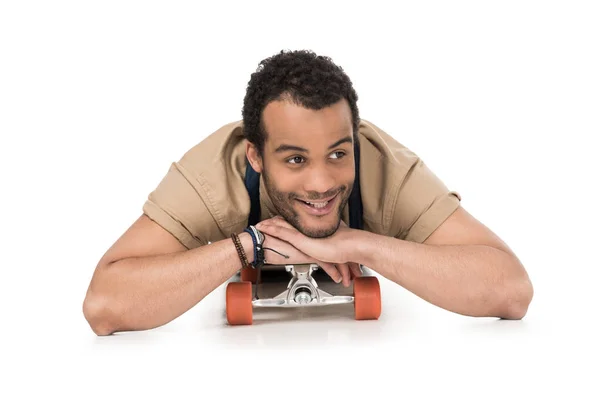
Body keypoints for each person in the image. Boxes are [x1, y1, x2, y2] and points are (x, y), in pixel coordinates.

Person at [82, 49, 534, 336]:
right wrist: (248, 246)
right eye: (295, 160)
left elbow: (511, 290)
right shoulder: (212, 172)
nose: (321, 184)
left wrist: (358, 243)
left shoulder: (384, 164)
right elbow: (105, 304)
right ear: (255, 157)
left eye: (338, 154)